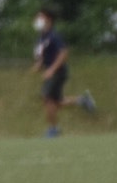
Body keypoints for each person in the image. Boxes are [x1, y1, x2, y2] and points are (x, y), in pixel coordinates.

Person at [31, 7, 95, 137]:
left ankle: (53, 129)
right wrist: (39, 65)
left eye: (40, 17)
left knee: (47, 98)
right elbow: (42, 57)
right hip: (51, 72)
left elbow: (64, 53)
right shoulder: (40, 39)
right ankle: (82, 100)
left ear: (48, 19)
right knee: (56, 102)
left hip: (58, 72)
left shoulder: (54, 36)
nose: (37, 20)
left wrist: (52, 69)